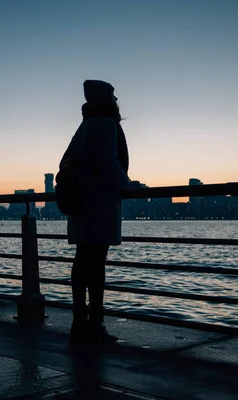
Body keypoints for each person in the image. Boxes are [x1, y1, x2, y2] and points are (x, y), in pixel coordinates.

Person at [63, 79, 141, 344]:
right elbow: (109, 163)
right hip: (98, 204)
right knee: (96, 264)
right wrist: (128, 185)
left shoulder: (84, 126)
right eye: (113, 96)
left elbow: (66, 162)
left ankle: (79, 321)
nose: (117, 100)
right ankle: (95, 324)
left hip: (81, 203)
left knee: (81, 261)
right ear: (106, 100)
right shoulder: (107, 125)